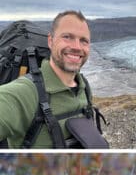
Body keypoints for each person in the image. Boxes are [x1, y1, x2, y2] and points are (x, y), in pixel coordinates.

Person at [0, 10, 103, 148]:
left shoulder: (84, 87)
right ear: (50, 41)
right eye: (67, 37)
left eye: (84, 41)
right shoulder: (23, 93)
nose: (77, 47)